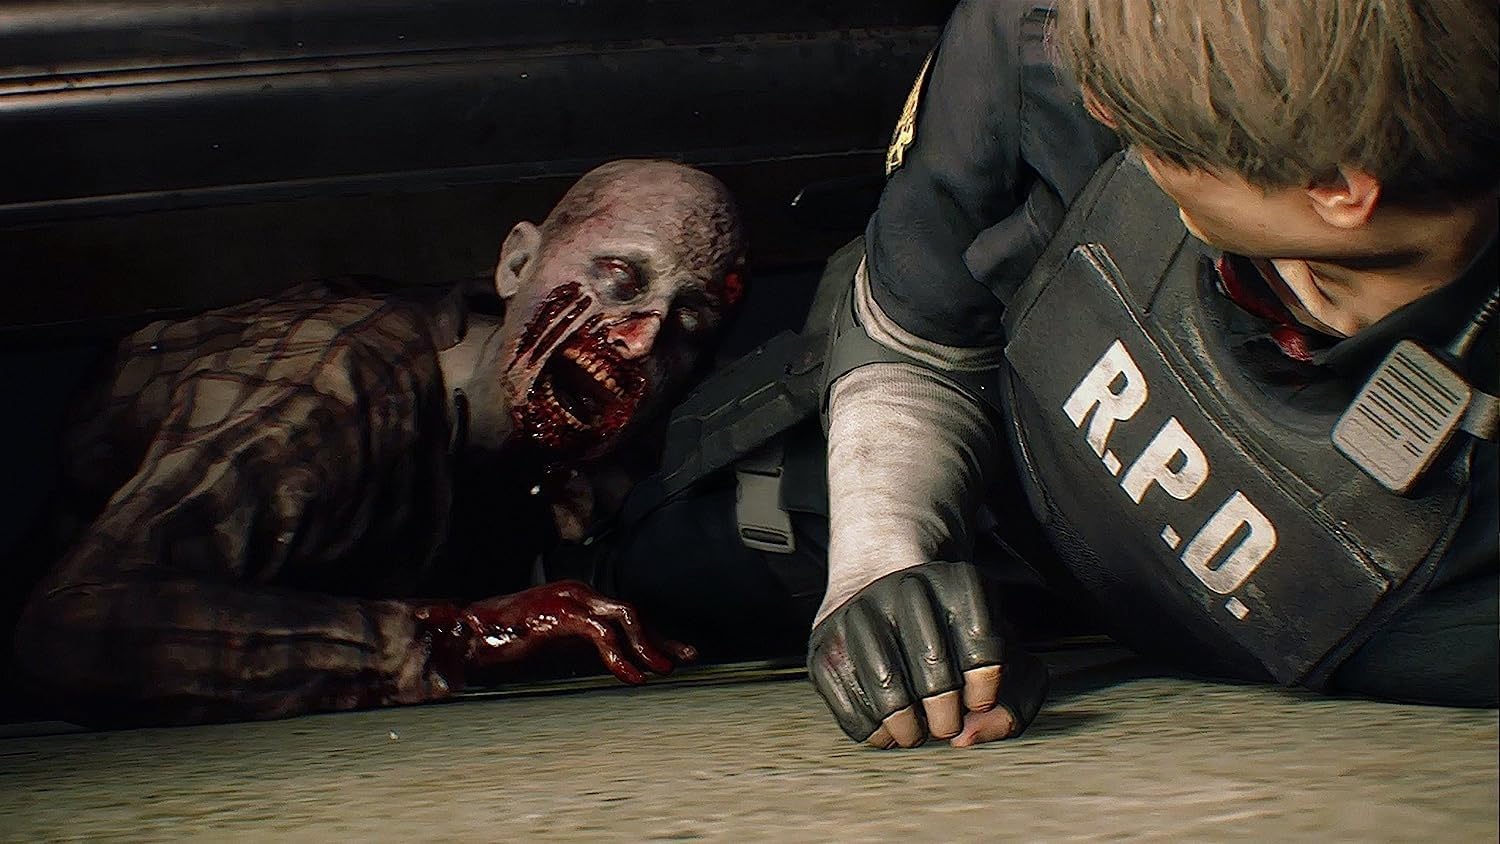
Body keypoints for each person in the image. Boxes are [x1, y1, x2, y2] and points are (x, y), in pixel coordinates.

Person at [801, 0, 1498, 750]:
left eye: (1157, 132)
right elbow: (919, 333)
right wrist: (881, 562)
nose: (1103, 111)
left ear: (1336, 186)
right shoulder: (1051, 46)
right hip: (987, 499)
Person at [12, 159, 746, 726]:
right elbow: (74, 630)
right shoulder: (327, 383)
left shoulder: (578, 427)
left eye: (690, 320)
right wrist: (461, 637)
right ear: (518, 264)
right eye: (618, 280)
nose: (641, 340)